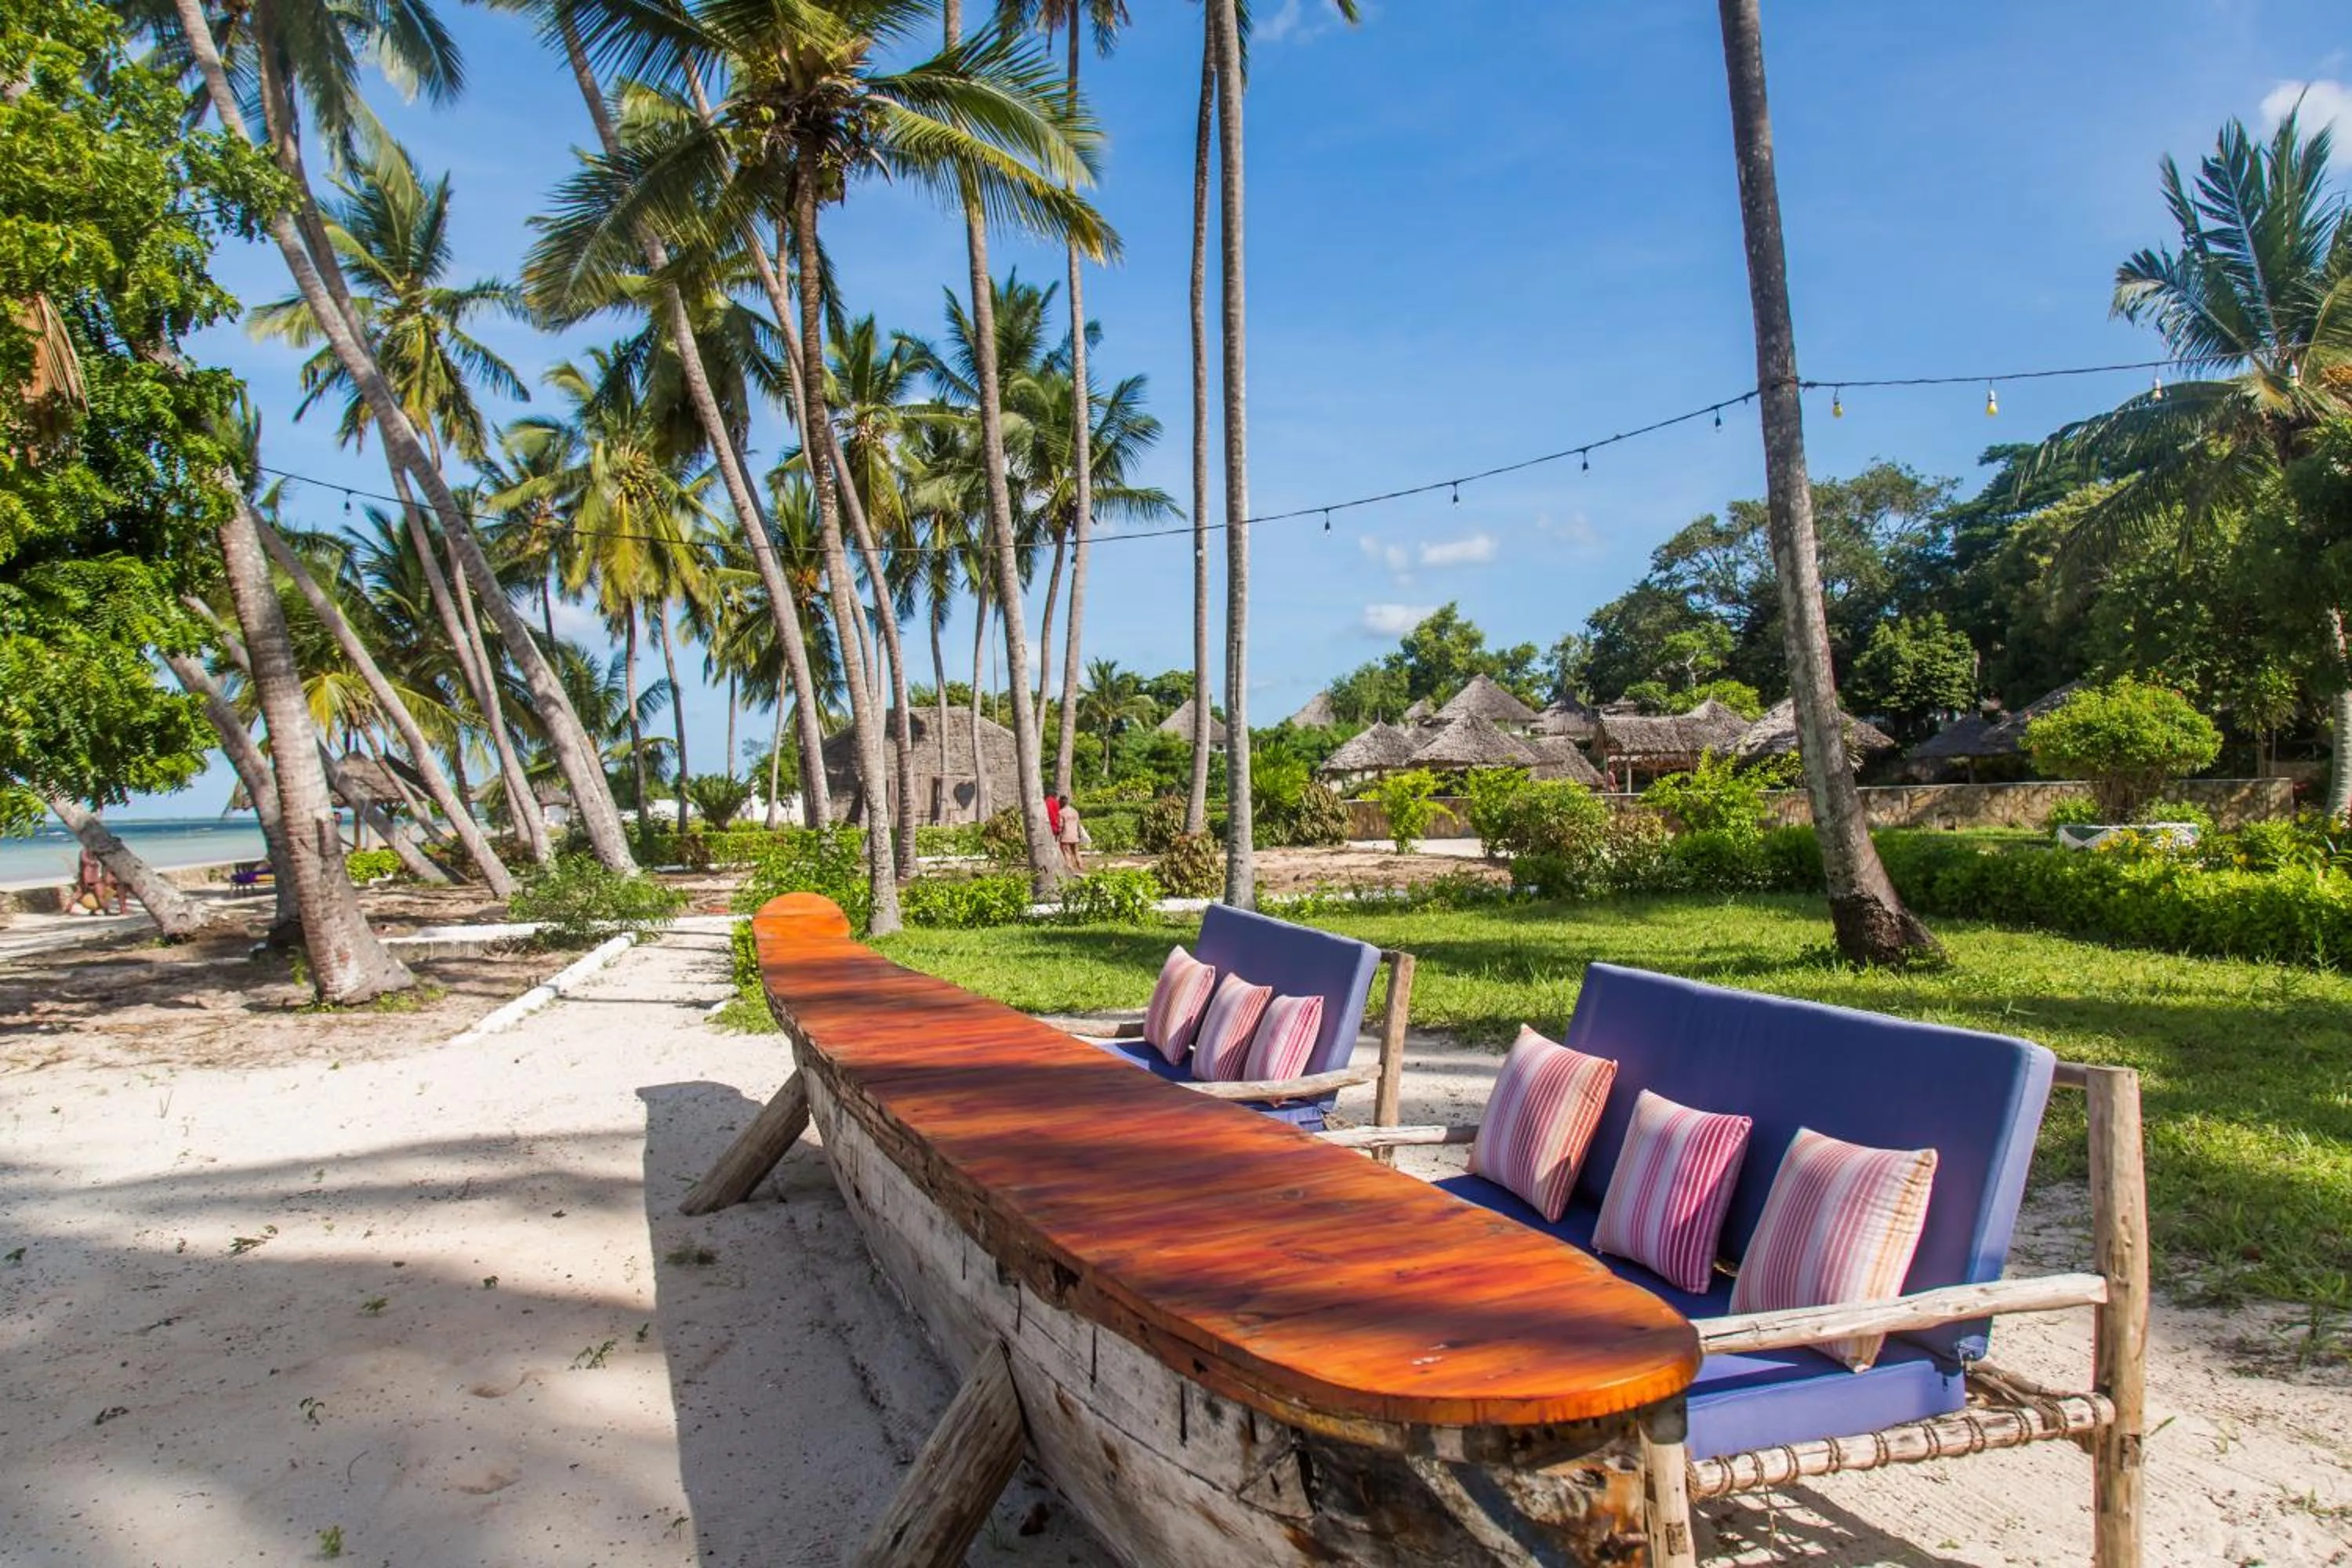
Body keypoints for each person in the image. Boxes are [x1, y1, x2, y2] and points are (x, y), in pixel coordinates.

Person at [1056, 795, 1086, 873]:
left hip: (1065, 837)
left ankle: (1070, 870)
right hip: (1075, 836)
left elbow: (1060, 825)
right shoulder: (1075, 811)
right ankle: (1081, 867)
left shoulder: (1061, 813)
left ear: (1061, 803)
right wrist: (1079, 834)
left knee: (1067, 854)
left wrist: (1058, 835)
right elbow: (1078, 824)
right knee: (1076, 852)